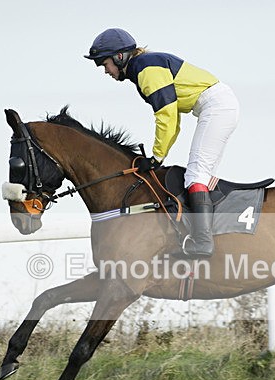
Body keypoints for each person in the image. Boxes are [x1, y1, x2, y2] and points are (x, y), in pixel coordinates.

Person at [84, 28, 239, 258]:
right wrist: (159, 155)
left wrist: (156, 157)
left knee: (196, 175)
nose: (105, 70)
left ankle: (203, 242)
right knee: (201, 176)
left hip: (216, 107)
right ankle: (208, 232)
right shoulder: (143, 68)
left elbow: (166, 114)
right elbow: (172, 119)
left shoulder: (146, 69)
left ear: (119, 57)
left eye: (103, 63)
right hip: (218, 106)